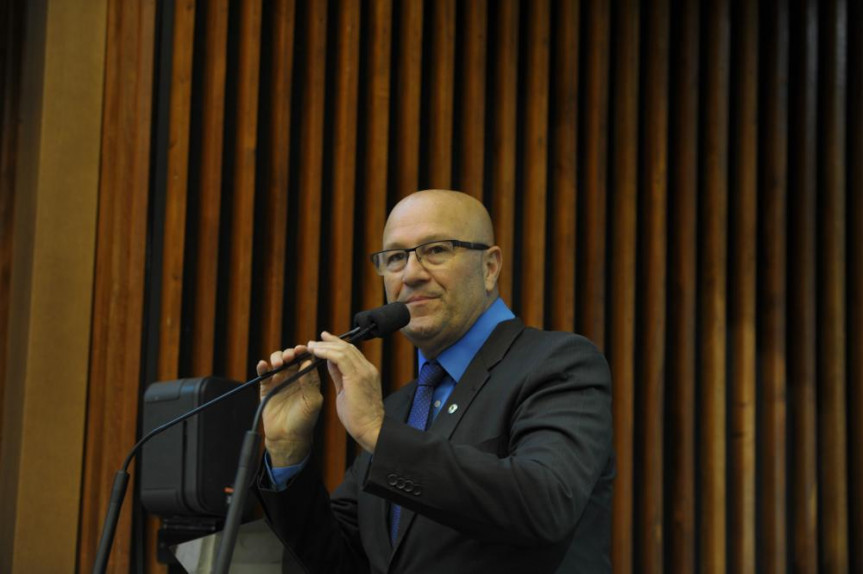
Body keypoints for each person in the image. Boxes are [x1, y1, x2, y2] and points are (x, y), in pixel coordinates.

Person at [255, 189, 614, 573]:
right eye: (395, 258)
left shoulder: (558, 363)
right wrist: (288, 451)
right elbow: (340, 560)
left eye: (436, 250)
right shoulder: (400, 407)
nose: (410, 274)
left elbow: (546, 504)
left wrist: (378, 432)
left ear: (490, 267)